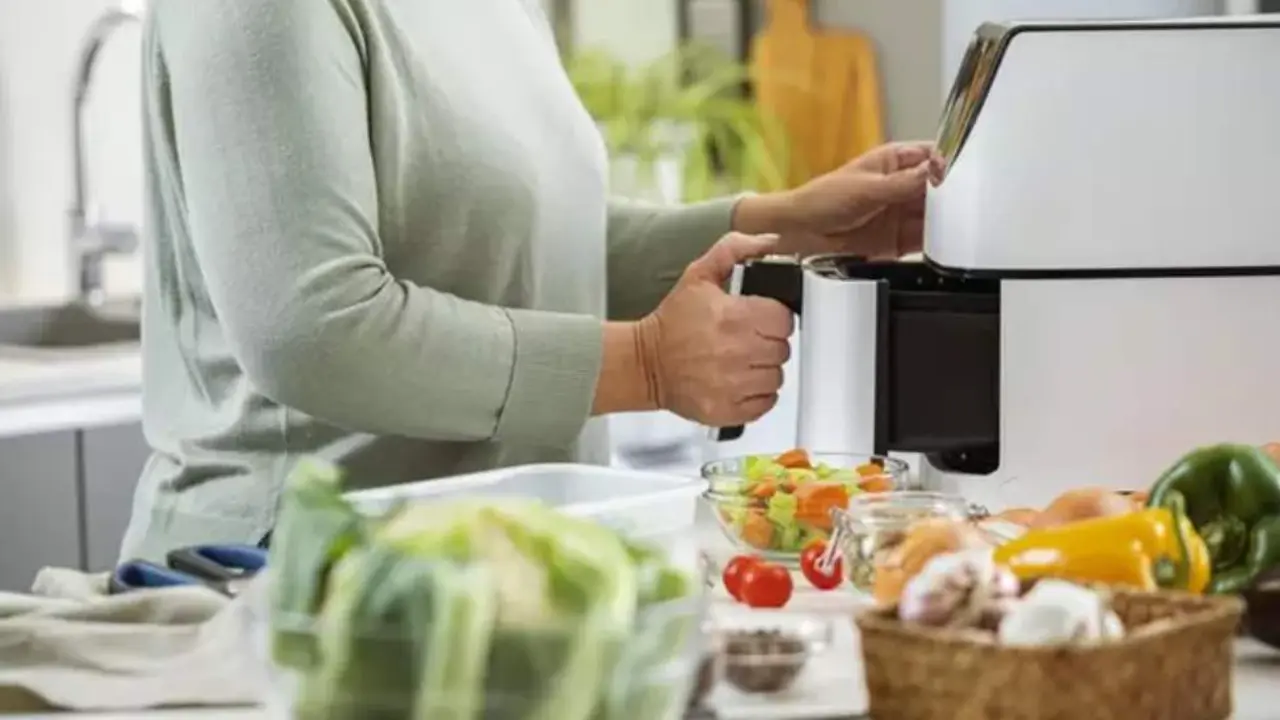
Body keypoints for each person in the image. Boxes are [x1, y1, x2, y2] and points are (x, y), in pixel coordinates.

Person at [120, 0, 943, 561]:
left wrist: (784, 224)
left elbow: (538, 239)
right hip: (293, 584)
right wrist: (645, 364)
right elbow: (314, 328)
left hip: (495, 568)